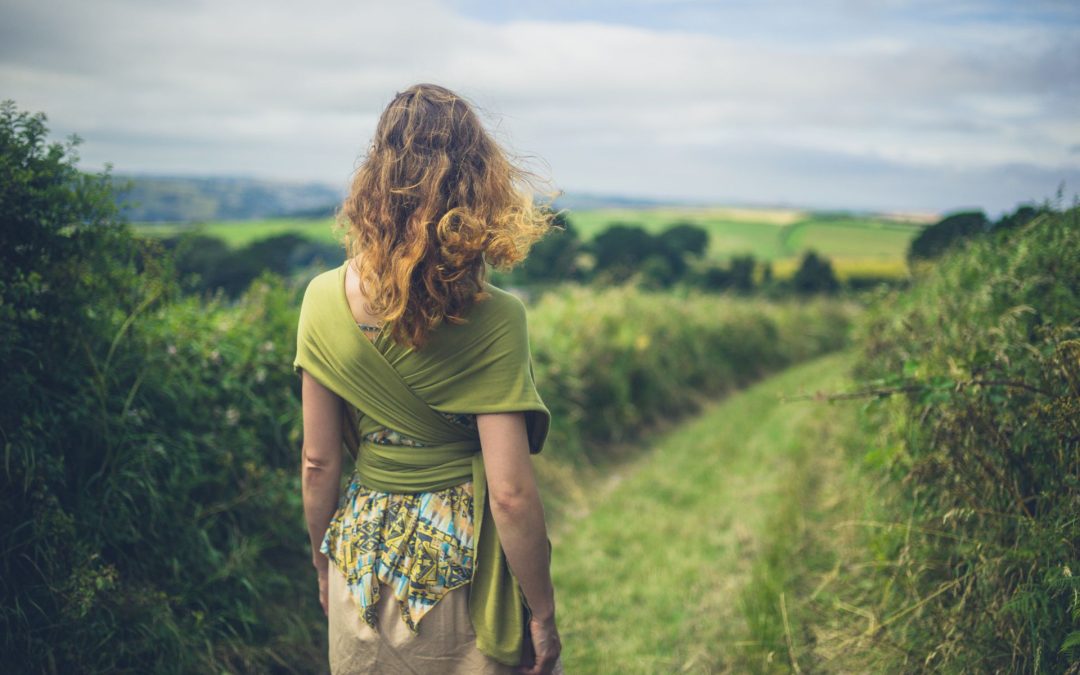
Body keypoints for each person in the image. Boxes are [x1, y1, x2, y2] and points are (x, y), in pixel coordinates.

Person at [292, 83, 564, 675]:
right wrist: (541, 612)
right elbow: (511, 495)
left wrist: (322, 564)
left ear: (376, 180)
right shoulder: (496, 316)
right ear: (480, 183)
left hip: (359, 563)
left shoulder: (320, 300)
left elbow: (318, 463)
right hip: (461, 566)